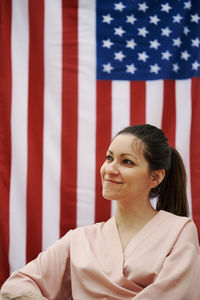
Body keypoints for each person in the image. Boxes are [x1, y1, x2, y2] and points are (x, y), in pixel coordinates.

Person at [1, 124, 200, 300]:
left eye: (127, 162)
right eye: (109, 158)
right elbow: (15, 286)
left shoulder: (179, 231)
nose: (110, 169)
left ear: (155, 177)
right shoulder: (79, 240)